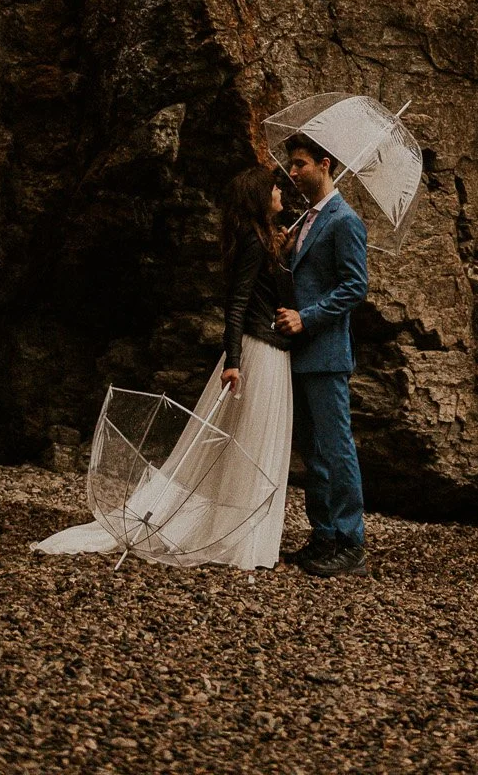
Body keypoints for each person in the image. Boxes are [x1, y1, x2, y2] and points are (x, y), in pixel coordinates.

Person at [32, 165, 295, 569]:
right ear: (259, 197)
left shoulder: (262, 240)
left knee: (249, 439)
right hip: (259, 350)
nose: (281, 190)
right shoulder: (256, 243)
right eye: (274, 186)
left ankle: (242, 535)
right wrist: (235, 361)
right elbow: (237, 303)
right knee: (252, 439)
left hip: (265, 347)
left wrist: (283, 250)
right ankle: (243, 542)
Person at [276, 133, 370, 578]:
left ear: (325, 163)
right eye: (291, 166)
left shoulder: (344, 220)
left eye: (299, 164)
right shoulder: (307, 221)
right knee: (313, 452)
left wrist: (306, 318)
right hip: (301, 353)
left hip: (327, 352)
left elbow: (355, 287)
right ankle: (323, 535)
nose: (292, 173)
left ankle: (351, 543)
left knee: (336, 449)